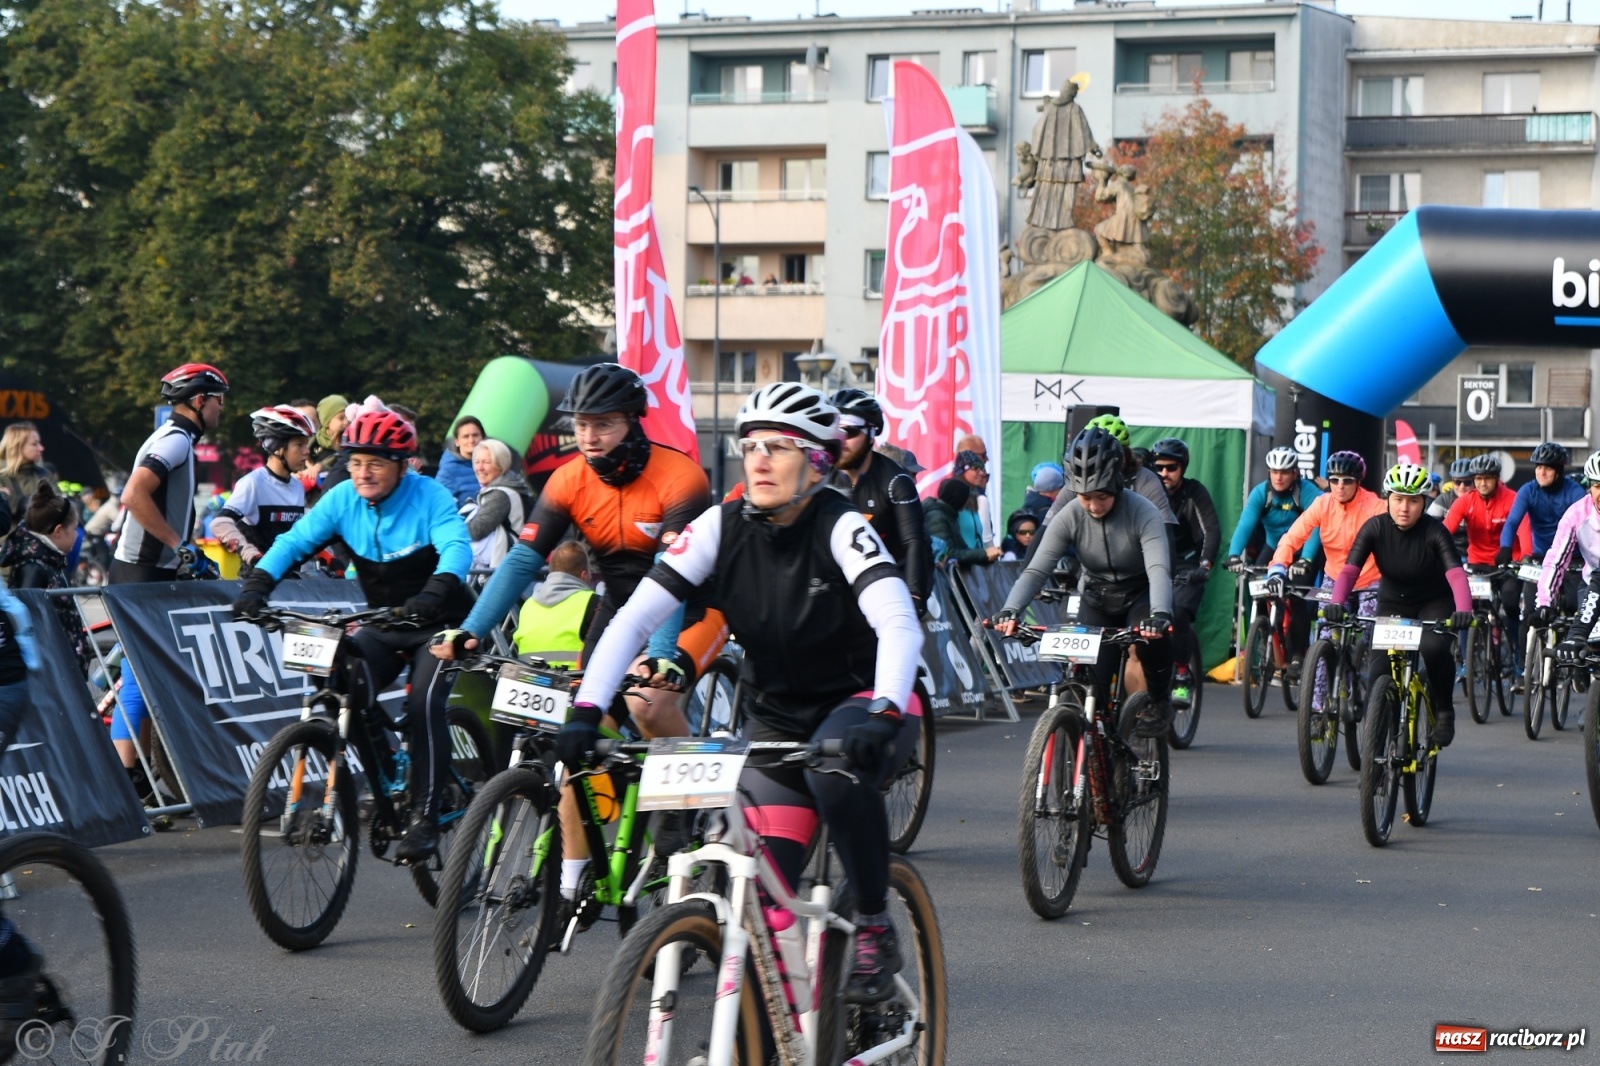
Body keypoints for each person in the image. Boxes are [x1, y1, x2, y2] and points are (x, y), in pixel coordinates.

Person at [563, 381, 924, 1003]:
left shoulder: (841, 525)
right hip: (777, 716)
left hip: (862, 702)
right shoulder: (718, 526)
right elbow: (632, 621)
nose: (759, 459)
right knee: (757, 896)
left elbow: (897, 622)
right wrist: (586, 712)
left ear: (816, 461)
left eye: (780, 447)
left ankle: (871, 920)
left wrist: (885, 710)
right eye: (751, 444)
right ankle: (787, 1017)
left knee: (837, 769)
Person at [430, 363, 721, 916]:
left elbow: (672, 572)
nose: (588, 437)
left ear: (633, 422)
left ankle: (684, 811)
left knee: (652, 702)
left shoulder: (679, 476)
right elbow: (521, 561)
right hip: (618, 607)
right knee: (577, 739)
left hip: (691, 607)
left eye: (604, 425)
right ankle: (569, 883)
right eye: (581, 425)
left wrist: (659, 656)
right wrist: (471, 630)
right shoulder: (569, 478)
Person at [233, 404, 471, 863]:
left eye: (376, 463)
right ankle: (385, 766)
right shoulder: (342, 498)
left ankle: (424, 817)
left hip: (438, 622)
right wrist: (258, 585)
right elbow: (294, 542)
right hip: (384, 622)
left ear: (402, 465)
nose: (363, 473)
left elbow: (456, 548)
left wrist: (435, 591)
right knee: (340, 678)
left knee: (423, 702)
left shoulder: (429, 496)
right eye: (356, 462)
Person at [994, 425, 1175, 737]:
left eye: (1101, 496)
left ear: (1118, 483)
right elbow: (1036, 571)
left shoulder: (1144, 512)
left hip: (1139, 595)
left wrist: (1160, 613)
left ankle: (1159, 701)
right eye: (1084, 497)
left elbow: (1159, 567)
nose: (1093, 506)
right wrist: (1011, 609)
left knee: (1152, 643)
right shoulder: (1070, 515)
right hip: (1096, 598)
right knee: (1089, 684)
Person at [111, 364, 228, 790]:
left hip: (145, 569)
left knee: (142, 675)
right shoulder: (176, 440)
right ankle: (126, 777)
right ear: (200, 401)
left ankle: (135, 775)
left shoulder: (179, 439)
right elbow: (133, 495)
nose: (221, 409)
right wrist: (180, 544)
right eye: (218, 400)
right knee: (140, 676)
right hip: (140, 570)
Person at [1320, 462, 1473, 748]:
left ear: (1424, 502)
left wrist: (1464, 610)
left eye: (1413, 501)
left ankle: (1443, 709)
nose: (1404, 507)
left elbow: (1455, 573)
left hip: (1433, 600)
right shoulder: (1374, 527)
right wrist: (1336, 602)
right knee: (1379, 672)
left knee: (1433, 647)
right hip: (1393, 600)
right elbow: (1350, 570)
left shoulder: (1434, 531)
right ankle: (1377, 757)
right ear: (1388, 497)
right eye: (1398, 499)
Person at [828, 388, 934, 617]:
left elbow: (915, 543)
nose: (841, 441)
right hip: (841, 592)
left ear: (871, 433)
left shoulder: (896, 481)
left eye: (850, 431)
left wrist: (914, 596)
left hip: (888, 590)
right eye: (835, 431)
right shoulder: (823, 478)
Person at [1225, 445, 1323, 673]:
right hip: (1273, 548)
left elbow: (1317, 526)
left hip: (1301, 551)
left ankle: (1298, 653)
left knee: (1298, 597)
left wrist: (1307, 559)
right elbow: (1245, 524)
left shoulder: (1307, 492)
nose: (1279, 477)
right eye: (1274, 471)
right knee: (1258, 589)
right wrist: (1233, 555)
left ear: (1295, 473)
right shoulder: (1261, 492)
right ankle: (1263, 637)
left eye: (1285, 472)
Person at [1443, 452, 1530, 683]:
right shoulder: (1465, 501)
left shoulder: (1512, 498)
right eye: (1478, 478)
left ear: (1497, 479)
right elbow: (1445, 529)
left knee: (1511, 602)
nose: (1482, 483)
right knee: (1466, 608)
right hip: (1478, 562)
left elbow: (1523, 528)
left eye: (1488, 478)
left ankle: (1516, 655)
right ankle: (1464, 660)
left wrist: (1527, 557)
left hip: (1509, 561)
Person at [1267, 451, 1384, 611]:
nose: (1340, 486)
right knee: (1327, 631)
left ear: (1358, 482)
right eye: (1334, 480)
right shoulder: (1322, 504)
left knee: (1367, 629)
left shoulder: (1376, 506)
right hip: (1334, 577)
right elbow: (1293, 536)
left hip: (1369, 580)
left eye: (1347, 481)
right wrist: (1278, 566)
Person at [1150, 437, 1219, 708]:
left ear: (1183, 468)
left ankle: (1181, 673)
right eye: (1159, 467)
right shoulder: (1145, 491)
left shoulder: (1194, 492)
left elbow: (1211, 530)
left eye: (1171, 468)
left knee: (1177, 613)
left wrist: (1204, 566)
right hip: (1152, 563)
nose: (1164, 473)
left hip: (1186, 565)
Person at [210, 406, 314, 571]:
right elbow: (220, 523)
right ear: (278, 448)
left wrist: (325, 556)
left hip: (290, 581)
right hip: (257, 580)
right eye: (299, 445)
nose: (306, 452)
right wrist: (251, 554)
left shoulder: (297, 487)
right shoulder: (253, 483)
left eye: (306, 445)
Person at [2, 484, 87, 674]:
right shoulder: (32, 567)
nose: (77, 535)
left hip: (62, 664)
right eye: (74, 529)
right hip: (52, 670)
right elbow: (28, 625)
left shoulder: (51, 560)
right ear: (58, 531)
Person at [1501, 442, 1586, 620]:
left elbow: (1586, 523)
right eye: (1538, 467)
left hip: (1573, 557)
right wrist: (1505, 548)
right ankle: (1523, 649)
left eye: (1547, 468)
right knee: (1531, 613)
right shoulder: (1528, 490)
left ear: (1559, 471)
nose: (1541, 473)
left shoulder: (1574, 491)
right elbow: (1512, 522)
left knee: (1574, 608)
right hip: (1541, 557)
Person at [511, 541, 599, 667]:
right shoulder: (594, 603)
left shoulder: (528, 604)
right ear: (584, 576)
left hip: (526, 681)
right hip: (573, 683)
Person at [461, 438, 530, 569]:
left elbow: (476, 530)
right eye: (477, 462)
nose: (480, 468)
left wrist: (448, 529)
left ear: (501, 465)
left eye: (486, 462)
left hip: (509, 567)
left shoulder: (500, 494)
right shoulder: (509, 485)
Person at [922, 478, 998, 566]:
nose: (966, 503)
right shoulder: (936, 517)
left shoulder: (949, 515)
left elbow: (961, 548)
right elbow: (946, 553)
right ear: (958, 499)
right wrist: (984, 554)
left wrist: (986, 553)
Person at [0, 423, 56, 513]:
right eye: (34, 444)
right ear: (17, 446)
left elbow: (57, 506)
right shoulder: (2, 477)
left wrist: (15, 502)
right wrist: (42, 501)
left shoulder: (45, 474)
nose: (41, 448)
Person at [435, 416, 485, 508]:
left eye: (475, 435)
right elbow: (438, 506)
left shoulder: (493, 465)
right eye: (466, 436)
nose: (471, 440)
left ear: (483, 437)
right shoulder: (448, 471)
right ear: (457, 442)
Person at [952, 450, 995, 548]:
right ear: (963, 471)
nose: (981, 473)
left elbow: (986, 541)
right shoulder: (981, 501)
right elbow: (987, 542)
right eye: (975, 468)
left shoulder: (979, 501)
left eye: (981, 468)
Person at [309, 394, 350, 471]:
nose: (346, 422)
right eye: (341, 418)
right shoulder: (311, 444)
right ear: (327, 422)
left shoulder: (351, 444)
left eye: (348, 417)